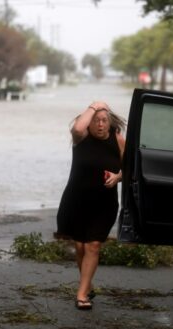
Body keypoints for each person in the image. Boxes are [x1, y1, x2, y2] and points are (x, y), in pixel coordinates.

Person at [56, 101, 126, 310]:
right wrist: (94, 106)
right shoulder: (81, 138)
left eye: (104, 120)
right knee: (79, 247)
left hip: (104, 204)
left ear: (110, 122)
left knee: (93, 245)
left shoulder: (118, 140)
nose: (100, 124)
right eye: (96, 121)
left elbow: (131, 168)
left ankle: (81, 294)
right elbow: (77, 127)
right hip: (76, 201)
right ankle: (88, 285)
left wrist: (118, 177)